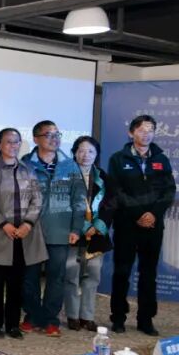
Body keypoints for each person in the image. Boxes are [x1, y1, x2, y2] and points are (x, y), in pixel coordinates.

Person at [107, 115, 176, 336]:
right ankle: (118, 317)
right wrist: (138, 213)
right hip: (127, 224)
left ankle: (145, 319)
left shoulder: (161, 159)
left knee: (148, 273)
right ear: (131, 133)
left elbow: (169, 191)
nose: (146, 134)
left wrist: (153, 214)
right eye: (141, 130)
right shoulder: (118, 159)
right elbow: (116, 191)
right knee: (122, 272)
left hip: (153, 225)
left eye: (150, 130)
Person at [0, 129, 46, 340]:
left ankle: (13, 324)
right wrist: (3, 224)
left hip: (23, 235)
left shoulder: (29, 169)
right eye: (8, 142)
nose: (13, 145)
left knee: (17, 283)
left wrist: (28, 224)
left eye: (16, 142)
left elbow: (37, 199)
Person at [21, 120, 77, 337]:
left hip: (60, 230)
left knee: (57, 276)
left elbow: (78, 198)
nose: (54, 139)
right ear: (36, 139)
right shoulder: (26, 164)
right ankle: (32, 316)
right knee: (30, 277)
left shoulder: (69, 165)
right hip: (32, 230)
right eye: (48, 135)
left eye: (57, 135)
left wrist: (76, 228)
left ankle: (51, 319)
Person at [64, 135, 115, 333]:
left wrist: (98, 225)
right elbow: (62, 204)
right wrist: (82, 226)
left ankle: (87, 316)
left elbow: (111, 204)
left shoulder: (103, 177)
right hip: (73, 232)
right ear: (74, 153)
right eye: (81, 151)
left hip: (97, 234)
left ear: (97, 155)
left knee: (92, 275)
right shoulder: (65, 176)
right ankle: (72, 315)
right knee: (71, 274)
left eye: (91, 151)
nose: (86, 155)